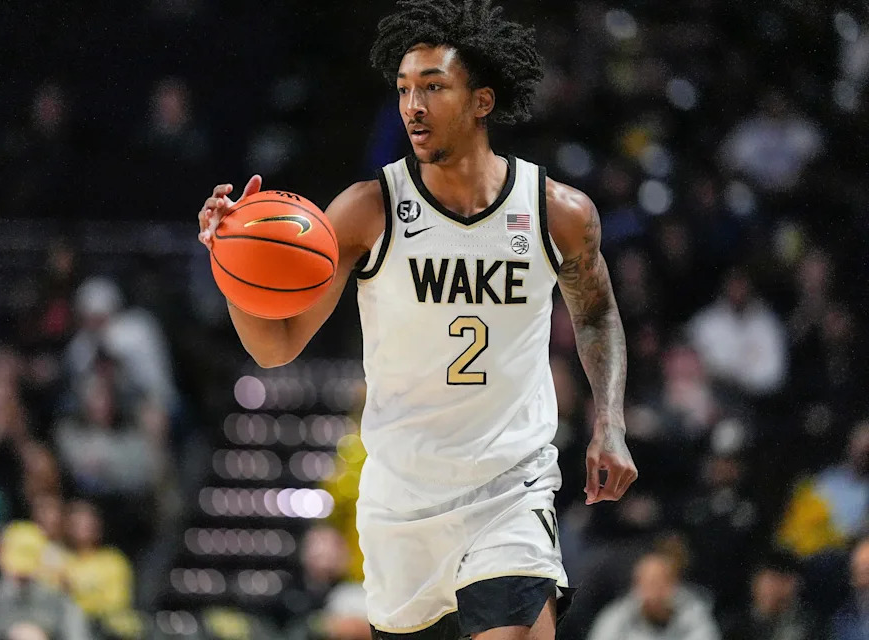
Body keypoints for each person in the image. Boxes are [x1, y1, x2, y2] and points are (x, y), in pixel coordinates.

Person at [197, 1, 637, 638]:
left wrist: (610, 421)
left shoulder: (556, 212)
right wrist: (232, 264)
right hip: (402, 502)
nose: (413, 105)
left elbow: (596, 314)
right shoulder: (367, 211)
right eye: (404, 89)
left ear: (482, 100)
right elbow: (276, 347)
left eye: (433, 86)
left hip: (509, 489)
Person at [586, 551, 720, 640]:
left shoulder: (693, 616)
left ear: (674, 584)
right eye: (648, 583)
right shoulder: (615, 619)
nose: (654, 592)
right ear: (636, 586)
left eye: (661, 582)